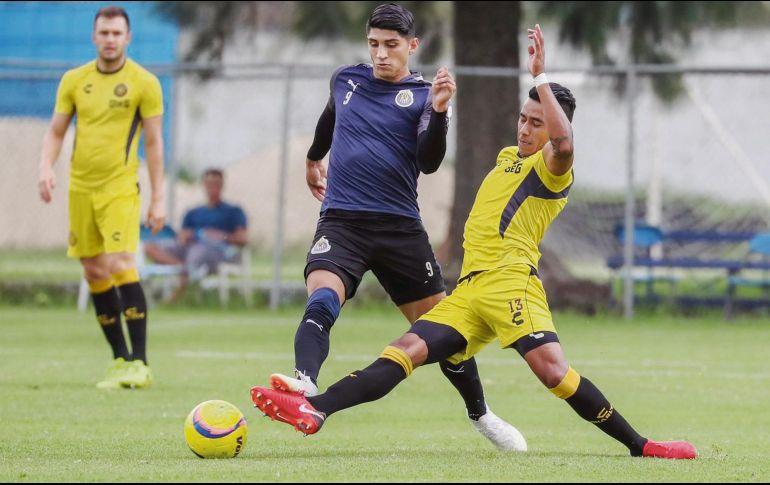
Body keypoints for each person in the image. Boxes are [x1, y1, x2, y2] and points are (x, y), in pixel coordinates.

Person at [250, 24, 698, 460]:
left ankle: (641, 446)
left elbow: (563, 143)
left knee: (553, 372)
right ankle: (315, 408)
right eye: (522, 119)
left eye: (535, 123)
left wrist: (539, 77)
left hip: (511, 286)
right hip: (471, 290)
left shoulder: (551, 168)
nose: (524, 129)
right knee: (403, 352)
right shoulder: (508, 158)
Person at [266, 3, 525, 451]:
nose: (381, 54)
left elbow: (428, 161)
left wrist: (441, 111)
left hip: (399, 229)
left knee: (443, 332)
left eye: (391, 46)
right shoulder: (346, 79)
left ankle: (480, 413)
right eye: (373, 45)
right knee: (323, 296)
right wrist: (313, 157)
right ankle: (305, 381)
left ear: (412, 46)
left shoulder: (424, 95)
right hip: (342, 222)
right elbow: (331, 117)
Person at [37, 6, 165, 389]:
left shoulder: (144, 82)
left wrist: (159, 199)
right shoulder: (75, 80)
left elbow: (155, 143)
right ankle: (119, 361)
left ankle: (140, 363)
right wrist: (45, 167)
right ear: (94, 37)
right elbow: (56, 131)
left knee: (121, 261)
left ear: (128, 38)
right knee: (93, 270)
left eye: (116, 33)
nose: (110, 39)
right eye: (104, 33)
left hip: (120, 187)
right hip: (80, 188)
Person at [144, 168, 248, 298]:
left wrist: (222, 236)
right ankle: (184, 269)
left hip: (215, 251)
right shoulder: (193, 212)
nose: (212, 188)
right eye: (209, 184)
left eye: (216, 184)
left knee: (197, 252)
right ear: (204, 185)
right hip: (189, 247)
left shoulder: (234, 211)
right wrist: (185, 236)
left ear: (222, 185)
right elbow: (182, 235)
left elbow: (243, 239)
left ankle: (179, 295)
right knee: (150, 247)